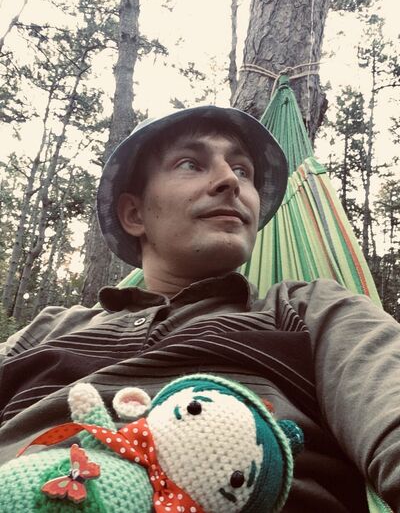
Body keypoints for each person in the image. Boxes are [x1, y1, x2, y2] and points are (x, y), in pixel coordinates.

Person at [0, 105, 399, 512]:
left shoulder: (309, 309)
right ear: (134, 214)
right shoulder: (48, 328)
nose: (230, 181)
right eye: (190, 164)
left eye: (243, 170)